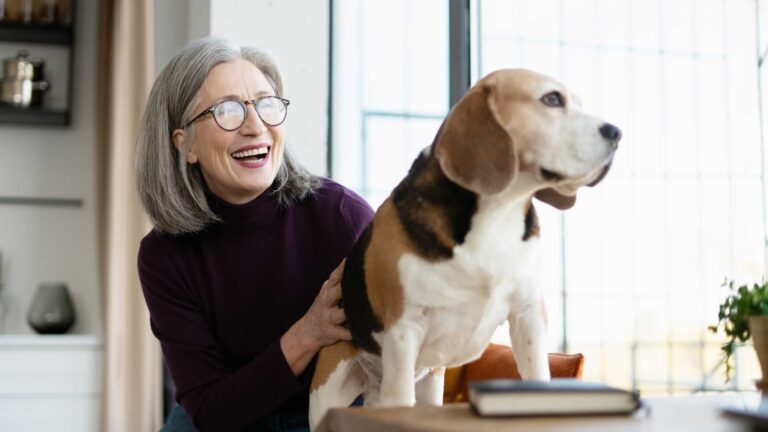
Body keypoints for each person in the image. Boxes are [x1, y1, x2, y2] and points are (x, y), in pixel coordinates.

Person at [135, 37, 373, 432]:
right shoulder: (165, 256)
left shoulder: (342, 218)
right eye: (227, 110)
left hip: (328, 412)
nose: (255, 126)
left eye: (265, 103)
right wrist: (309, 333)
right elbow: (210, 411)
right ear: (185, 144)